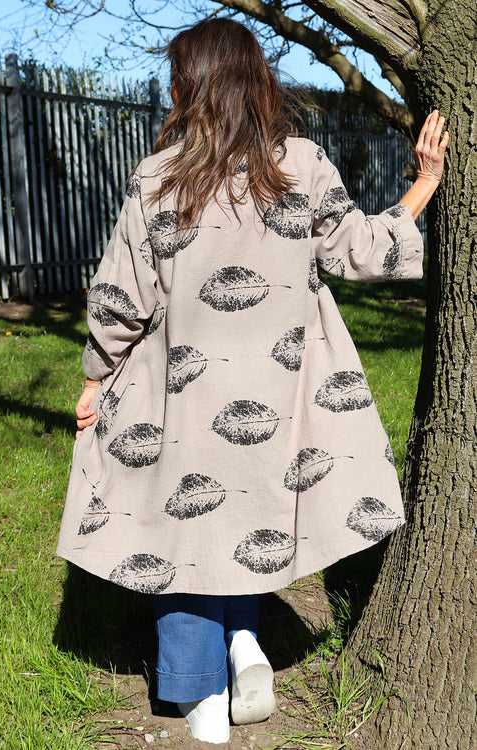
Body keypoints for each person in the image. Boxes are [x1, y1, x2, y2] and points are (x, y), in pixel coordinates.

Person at [55, 18, 449, 745]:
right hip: (281, 390)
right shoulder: (301, 165)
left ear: (190, 88)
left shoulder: (158, 177)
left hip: (180, 392)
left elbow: (120, 300)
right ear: (258, 84)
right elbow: (363, 253)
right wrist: (424, 182)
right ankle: (244, 641)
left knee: (181, 529)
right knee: (246, 511)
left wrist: (94, 378)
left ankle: (199, 693)